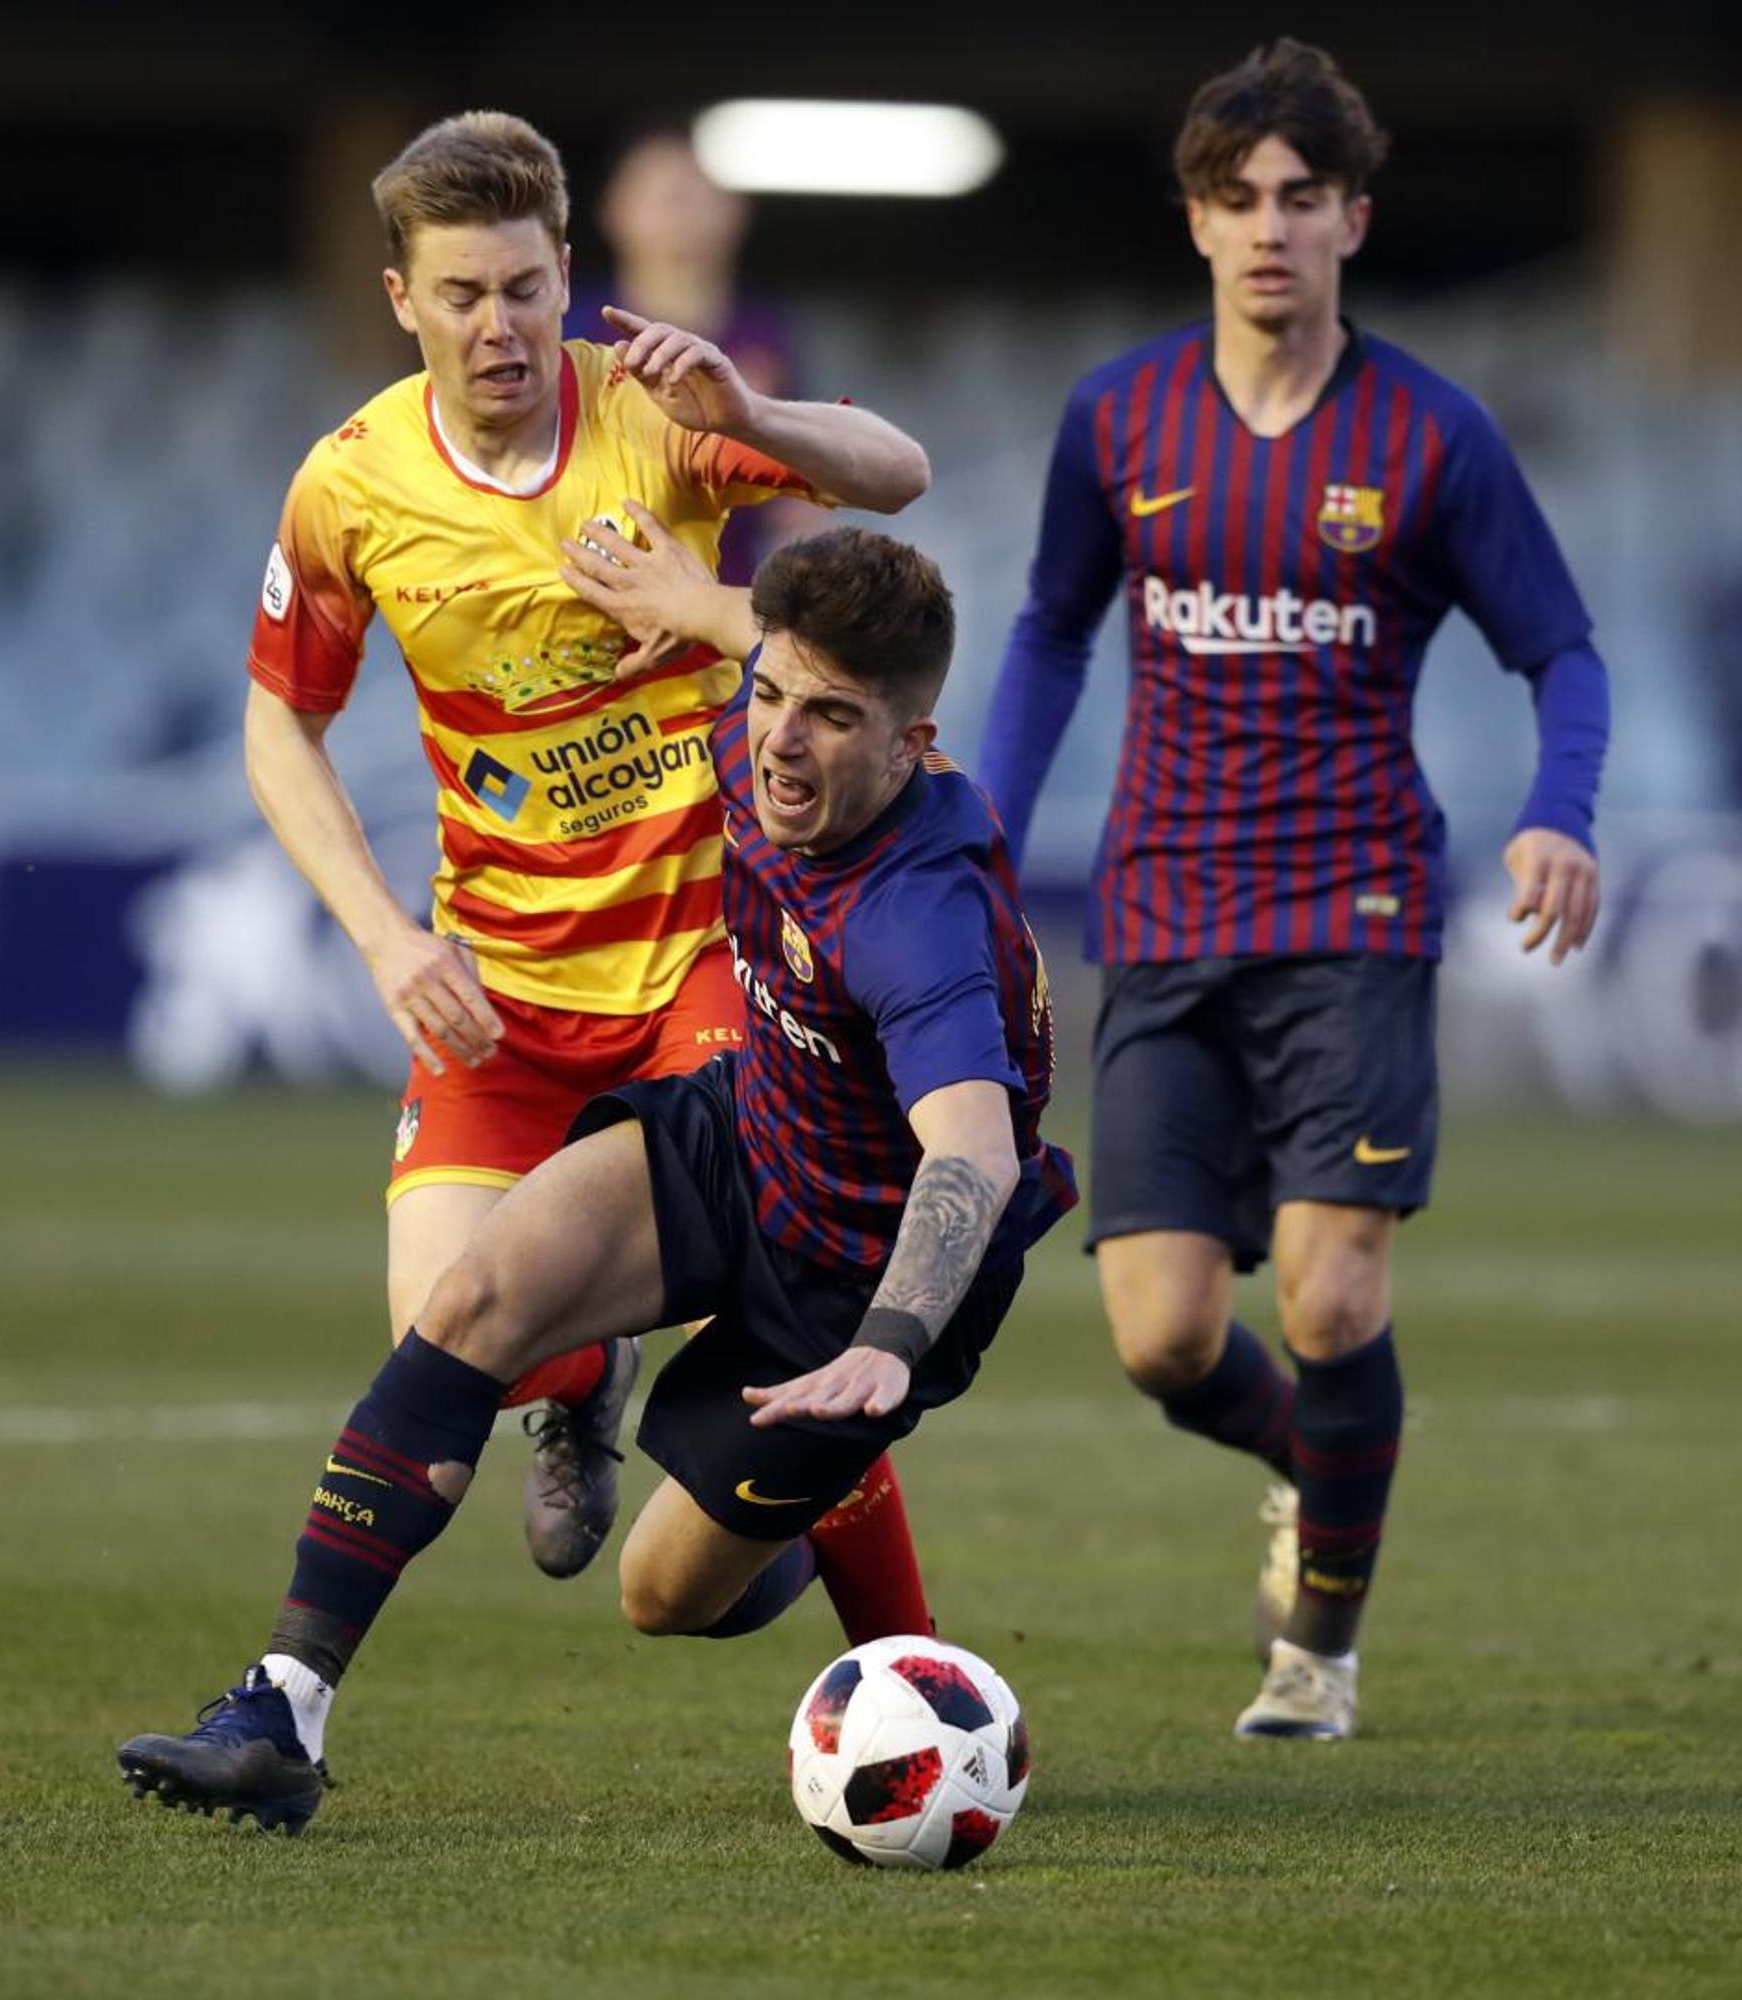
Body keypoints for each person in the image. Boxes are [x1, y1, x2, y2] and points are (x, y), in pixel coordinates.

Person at [121, 524, 1073, 1832]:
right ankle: (281, 1709)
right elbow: (765, 645)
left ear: (913, 745)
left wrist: (891, 1344)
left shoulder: (919, 914)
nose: (784, 739)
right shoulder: (769, 728)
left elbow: (972, 1147)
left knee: (657, 1595)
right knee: (472, 1302)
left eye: (831, 717)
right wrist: (690, 594)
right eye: (776, 695)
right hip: (744, 1132)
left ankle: (814, 1511)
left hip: (857, 1277)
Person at [978, 39, 1611, 1741]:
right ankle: (1326, 1466)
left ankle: (1316, 1647)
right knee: (1164, 1336)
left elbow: (1560, 648)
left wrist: (1563, 811)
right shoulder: (1120, 419)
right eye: (1239, 198)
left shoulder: (1432, 436)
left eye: (1302, 200)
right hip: (1165, 918)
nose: (1270, 228)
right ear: (1196, 222)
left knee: (1334, 1294)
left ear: (1352, 221)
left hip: (1356, 920)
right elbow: (1048, 631)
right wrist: (987, 829)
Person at [241, 110, 948, 1620]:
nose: (498, 326)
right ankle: (600, 1390)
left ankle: (915, 1665)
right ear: (401, 301)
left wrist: (753, 412)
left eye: (523, 287)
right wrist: (384, 941)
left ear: (568, 271)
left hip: (707, 954)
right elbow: (277, 729)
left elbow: (898, 475)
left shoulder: (655, 410)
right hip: (500, 985)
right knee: (454, 1322)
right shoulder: (351, 485)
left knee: (793, 1314)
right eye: (461, 295)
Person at [583, 124, 822, 585]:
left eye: (694, 192)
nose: (680, 212)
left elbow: (797, 494)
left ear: (736, 211)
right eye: (659, 194)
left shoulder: (768, 335)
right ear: (612, 211)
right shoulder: (573, 332)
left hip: (732, 608)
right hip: (599, 602)